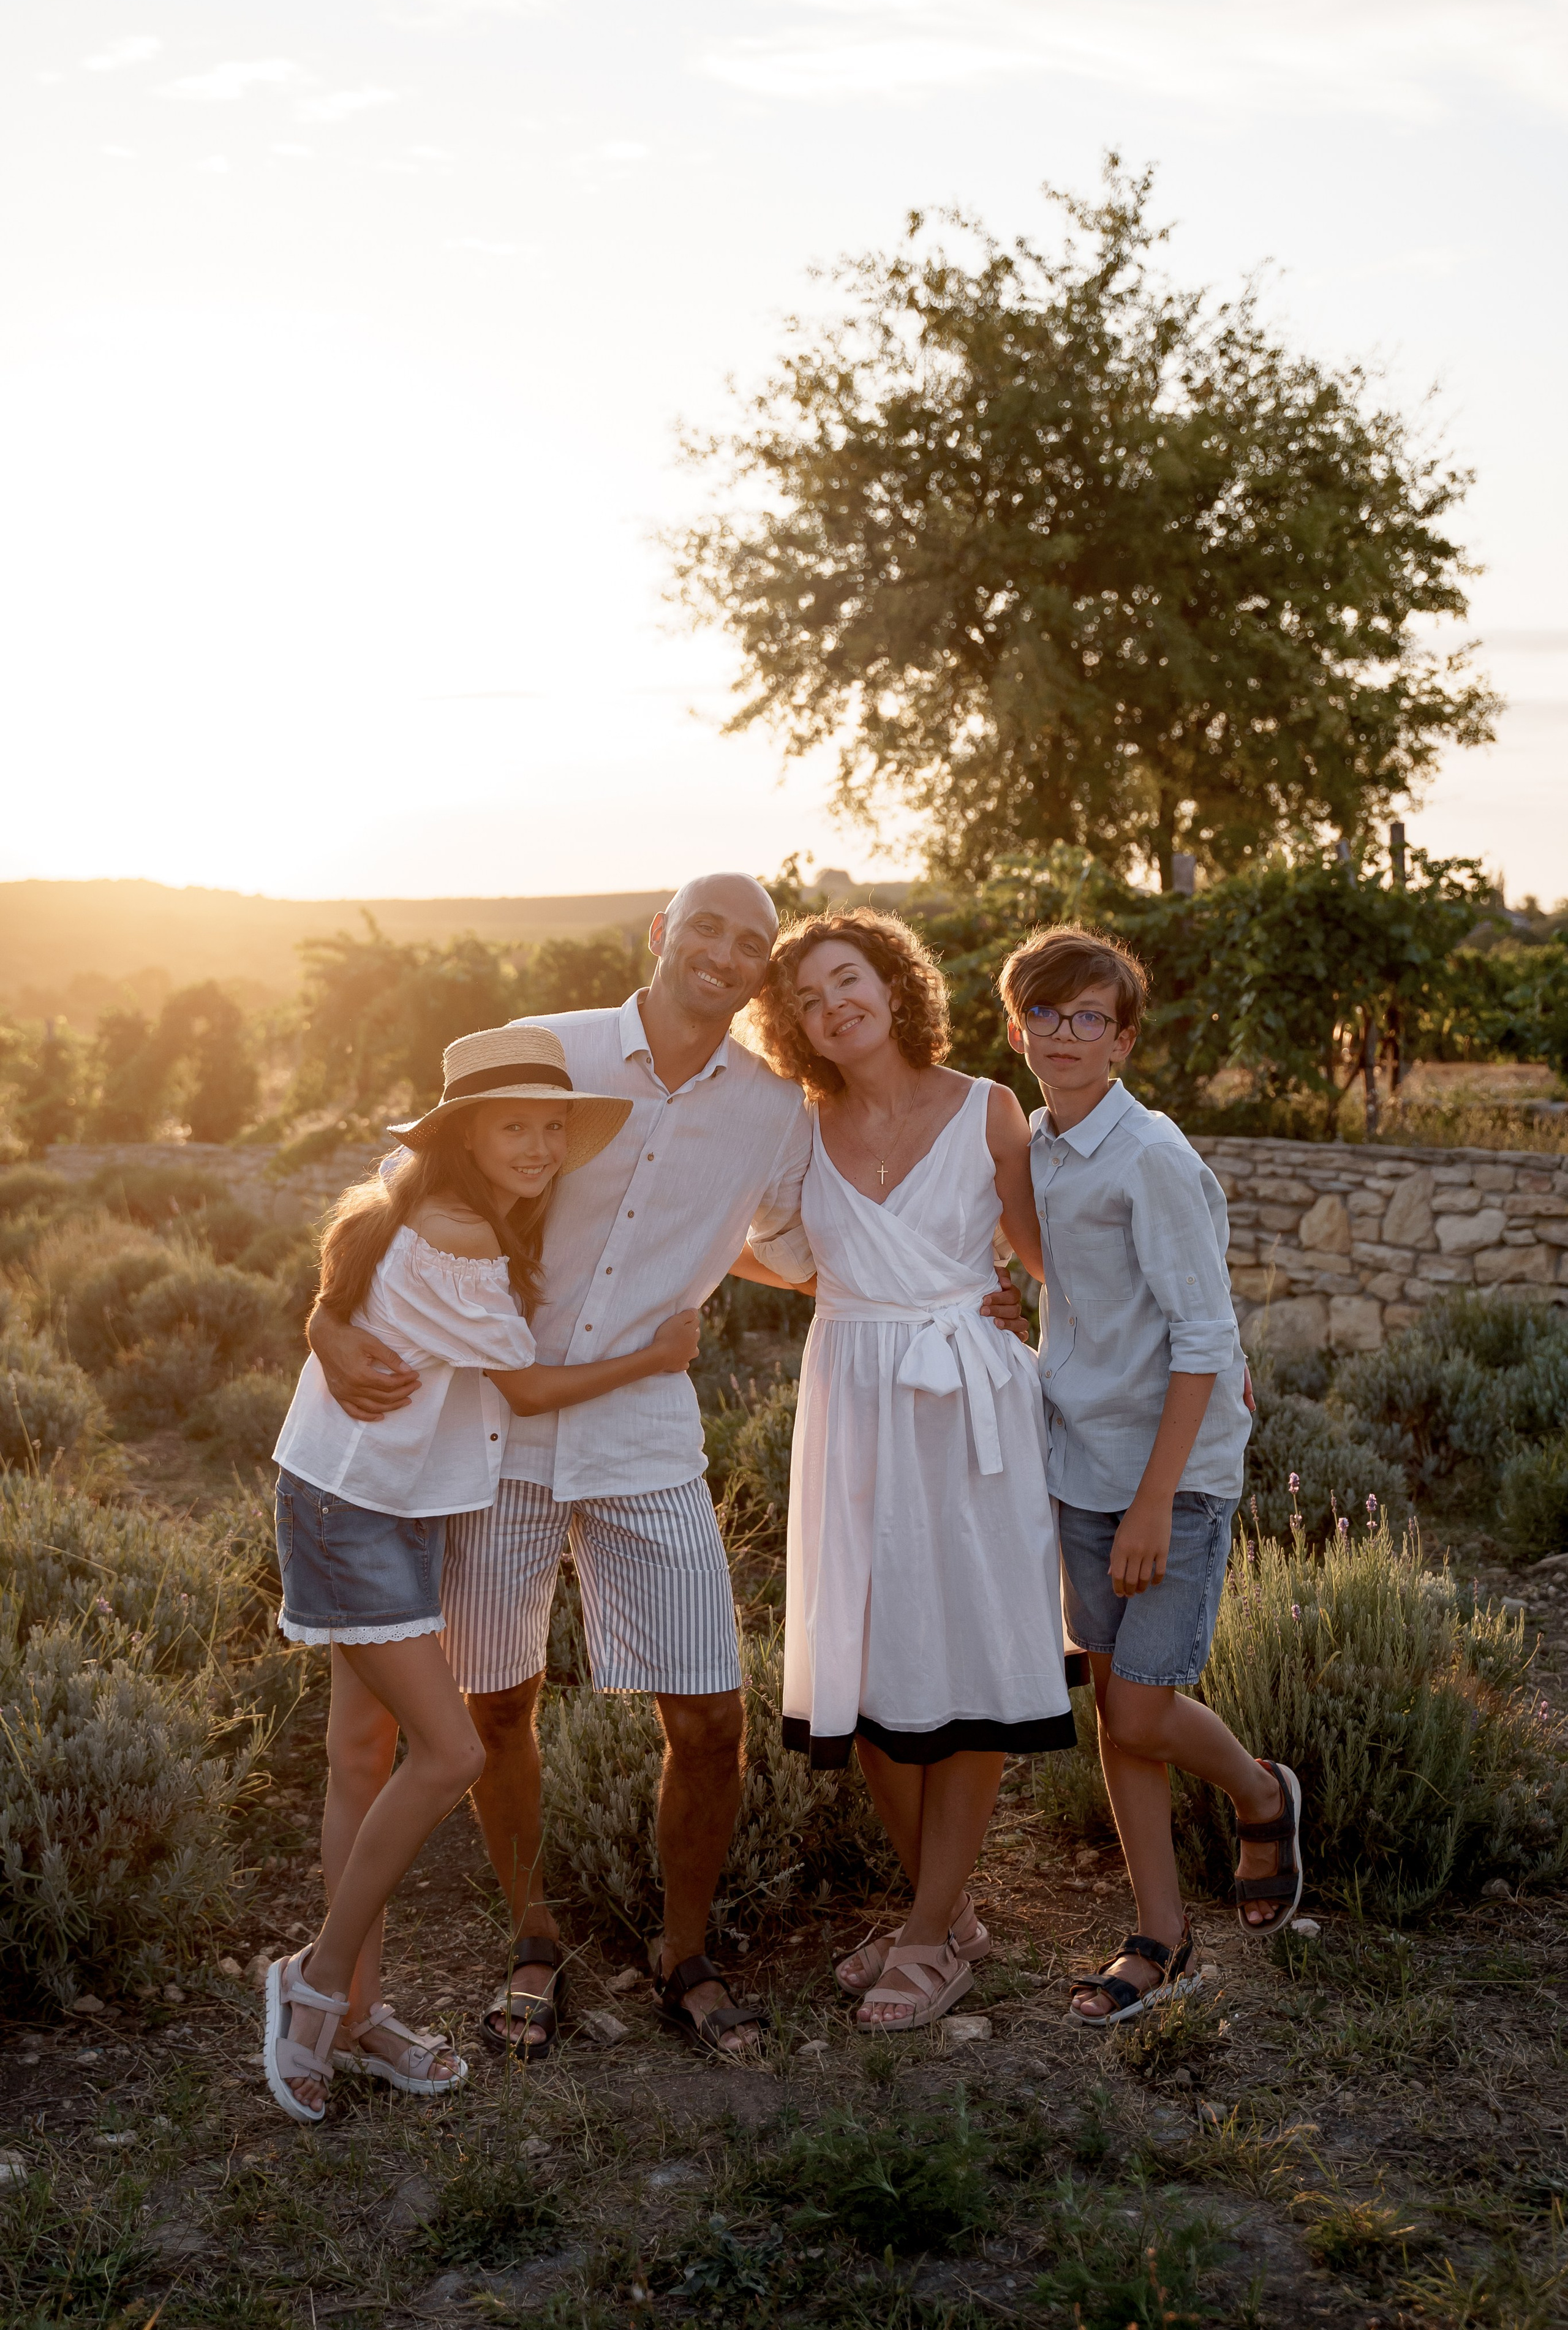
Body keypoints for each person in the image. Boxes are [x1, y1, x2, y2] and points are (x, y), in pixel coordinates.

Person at [309, 875, 1027, 2061]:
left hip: (645, 1439)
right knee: (498, 1703)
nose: (724, 954)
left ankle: (684, 1954)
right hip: (495, 1431)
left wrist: (956, 1292)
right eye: (706, 928)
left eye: (751, 943)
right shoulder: (554, 1050)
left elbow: (809, 1245)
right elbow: (412, 1192)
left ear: (760, 975)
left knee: (707, 1715)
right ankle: (533, 1940)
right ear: (660, 934)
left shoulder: (775, 1109)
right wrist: (328, 1319)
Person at [261, 1024, 700, 2121]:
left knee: (358, 1759)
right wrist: (658, 1356)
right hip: (355, 1510)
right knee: (451, 1749)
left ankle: (358, 2016)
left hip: (395, 1503)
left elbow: (346, 1293)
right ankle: (316, 1984)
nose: (541, 1147)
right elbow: (529, 1390)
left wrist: (323, 1323)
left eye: (553, 1127)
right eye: (515, 1127)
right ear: (464, 1135)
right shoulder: (456, 1231)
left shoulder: (426, 1198)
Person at [740, 910, 1077, 2034]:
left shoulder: (989, 1109)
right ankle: (949, 1916)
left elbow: (1051, 1264)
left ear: (893, 985)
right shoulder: (799, 1130)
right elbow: (758, 1246)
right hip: (852, 1402)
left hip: (970, 1405)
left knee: (970, 1656)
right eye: (805, 1000)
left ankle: (929, 1936)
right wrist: (869, 1289)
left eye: (847, 980)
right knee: (869, 1667)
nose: (831, 1006)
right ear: (794, 1028)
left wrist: (1186, 1350)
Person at [999, 924, 1303, 2029]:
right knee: (1119, 1716)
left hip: (1169, 1474)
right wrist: (1018, 1306)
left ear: (1123, 1040)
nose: (1064, 1034)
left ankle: (1262, 1795)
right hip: (1079, 1459)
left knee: (1138, 1707)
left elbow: (1204, 1339)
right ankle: (1159, 1935)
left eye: (1090, 1017)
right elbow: (1075, 1273)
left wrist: (1155, 1503)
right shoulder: (1040, 1141)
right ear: (1019, 1029)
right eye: (1044, 1013)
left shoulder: (1152, 1157)